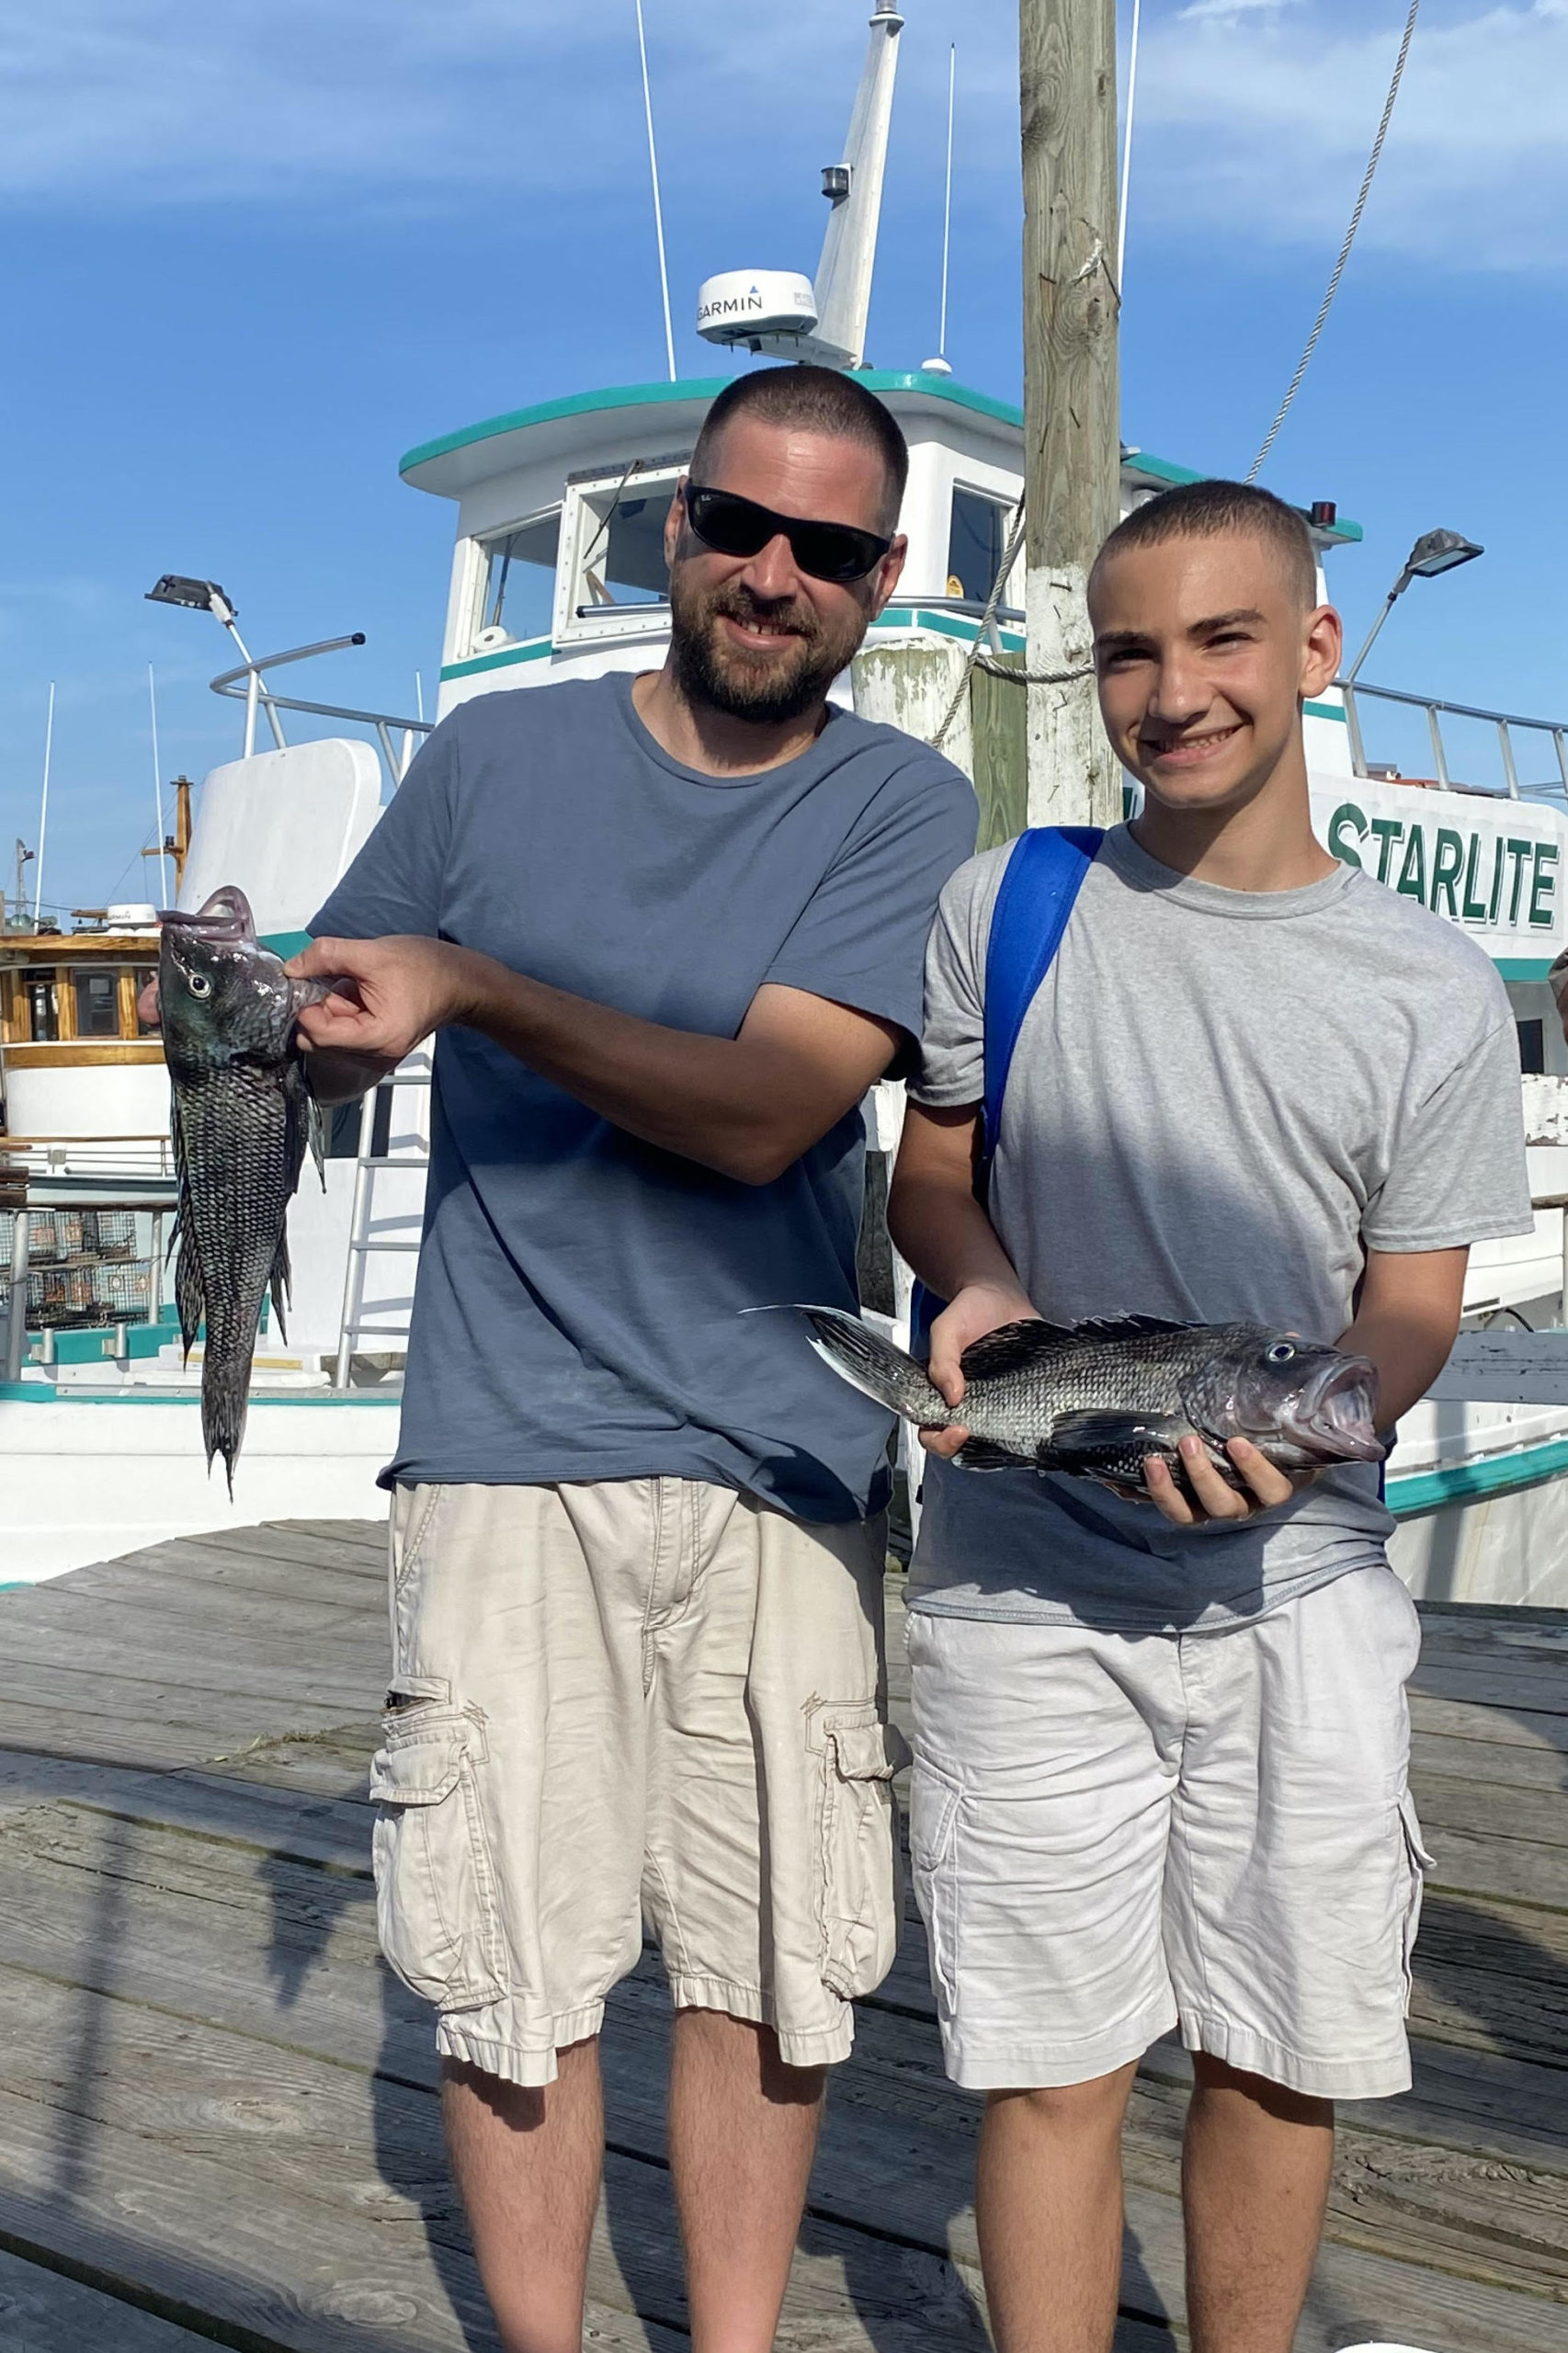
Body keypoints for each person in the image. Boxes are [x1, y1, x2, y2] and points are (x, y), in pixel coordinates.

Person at [287, 367, 976, 2353]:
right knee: (507, 1967)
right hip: (501, 1446)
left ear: (880, 579)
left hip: (787, 1459)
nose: (772, 575)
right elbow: (327, 1028)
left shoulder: (904, 804)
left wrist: (473, 982)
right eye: (737, 525)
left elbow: (768, 1115)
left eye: (825, 548)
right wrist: (290, 1025)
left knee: (774, 1962)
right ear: (676, 529)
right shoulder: (486, 757)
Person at [888, 479, 1532, 2353]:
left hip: (1300, 1587)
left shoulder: (1426, 982)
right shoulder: (1005, 903)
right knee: (1047, 2059)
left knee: (1280, 2046)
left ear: (1314, 647)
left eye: (1222, 637)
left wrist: (1307, 1442)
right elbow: (932, 1181)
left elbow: (1407, 1306)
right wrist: (977, 1291)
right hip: (1021, 1585)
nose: (1174, 692)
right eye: (1129, 653)